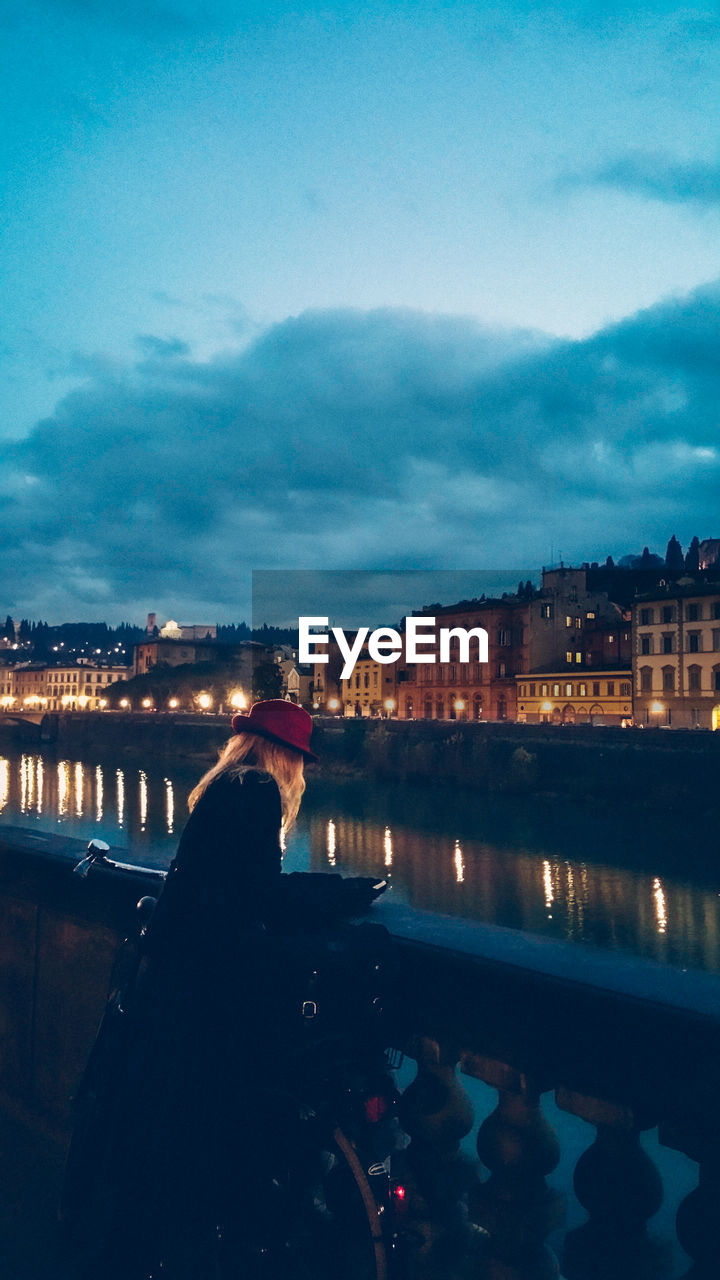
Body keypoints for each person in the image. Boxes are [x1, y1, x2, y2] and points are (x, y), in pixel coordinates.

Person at [61, 699, 388, 1280]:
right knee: (194, 1128)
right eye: (301, 760)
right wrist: (344, 894)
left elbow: (238, 887)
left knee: (155, 1139)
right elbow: (261, 895)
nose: (302, 773)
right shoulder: (257, 791)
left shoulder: (224, 788)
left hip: (170, 985)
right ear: (286, 756)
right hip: (199, 996)